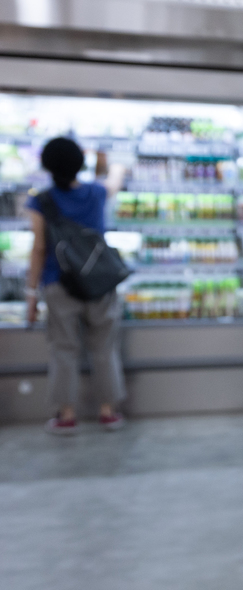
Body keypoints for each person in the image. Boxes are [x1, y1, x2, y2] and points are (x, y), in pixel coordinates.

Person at [23, 137, 128, 435]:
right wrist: (115, 163)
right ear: (79, 164)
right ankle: (108, 412)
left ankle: (66, 416)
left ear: (46, 166)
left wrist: (31, 294)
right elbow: (114, 182)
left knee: (63, 350)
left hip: (59, 284)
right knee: (104, 349)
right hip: (99, 282)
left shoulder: (40, 201)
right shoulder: (95, 192)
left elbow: (39, 249)